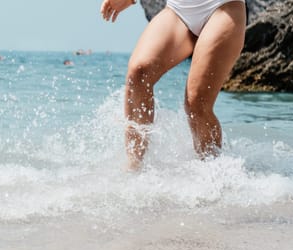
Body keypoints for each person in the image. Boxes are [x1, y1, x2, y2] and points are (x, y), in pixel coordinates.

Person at [100, 0, 246, 170]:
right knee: (138, 73)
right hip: (179, 10)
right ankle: (134, 170)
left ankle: (213, 176)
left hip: (222, 8)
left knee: (196, 104)